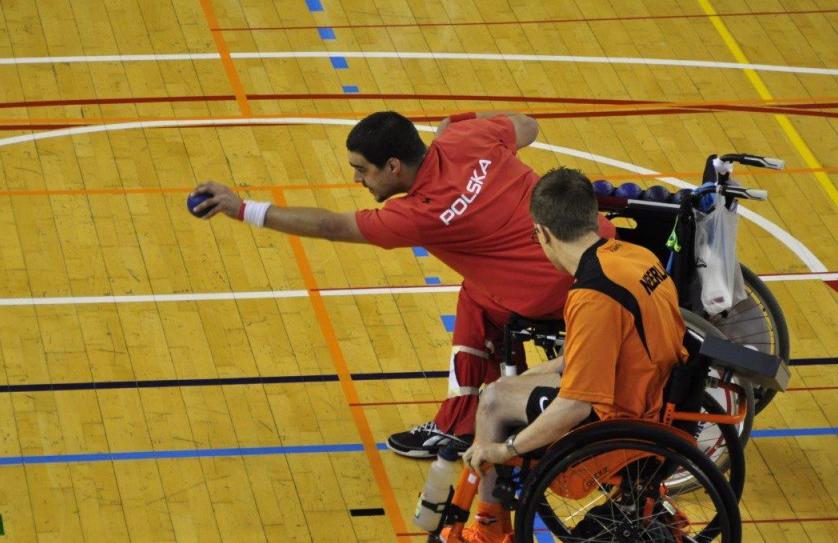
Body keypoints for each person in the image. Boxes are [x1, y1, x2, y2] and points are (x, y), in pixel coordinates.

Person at [193, 111, 614, 459]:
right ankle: (478, 413)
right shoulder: (469, 138)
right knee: (477, 291)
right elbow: (527, 125)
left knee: (476, 298)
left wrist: (242, 208)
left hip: (561, 291)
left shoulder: (419, 215)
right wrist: (459, 126)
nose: (358, 180)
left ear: (393, 166)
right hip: (599, 244)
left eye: (363, 170)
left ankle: (465, 422)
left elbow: (330, 226)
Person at [427, 167, 689, 543]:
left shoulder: (593, 295)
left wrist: (504, 449)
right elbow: (574, 360)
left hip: (624, 413)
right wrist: (518, 383)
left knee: (493, 402)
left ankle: (492, 534)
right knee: (502, 390)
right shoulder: (635, 256)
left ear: (544, 233)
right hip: (651, 384)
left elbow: (576, 405)